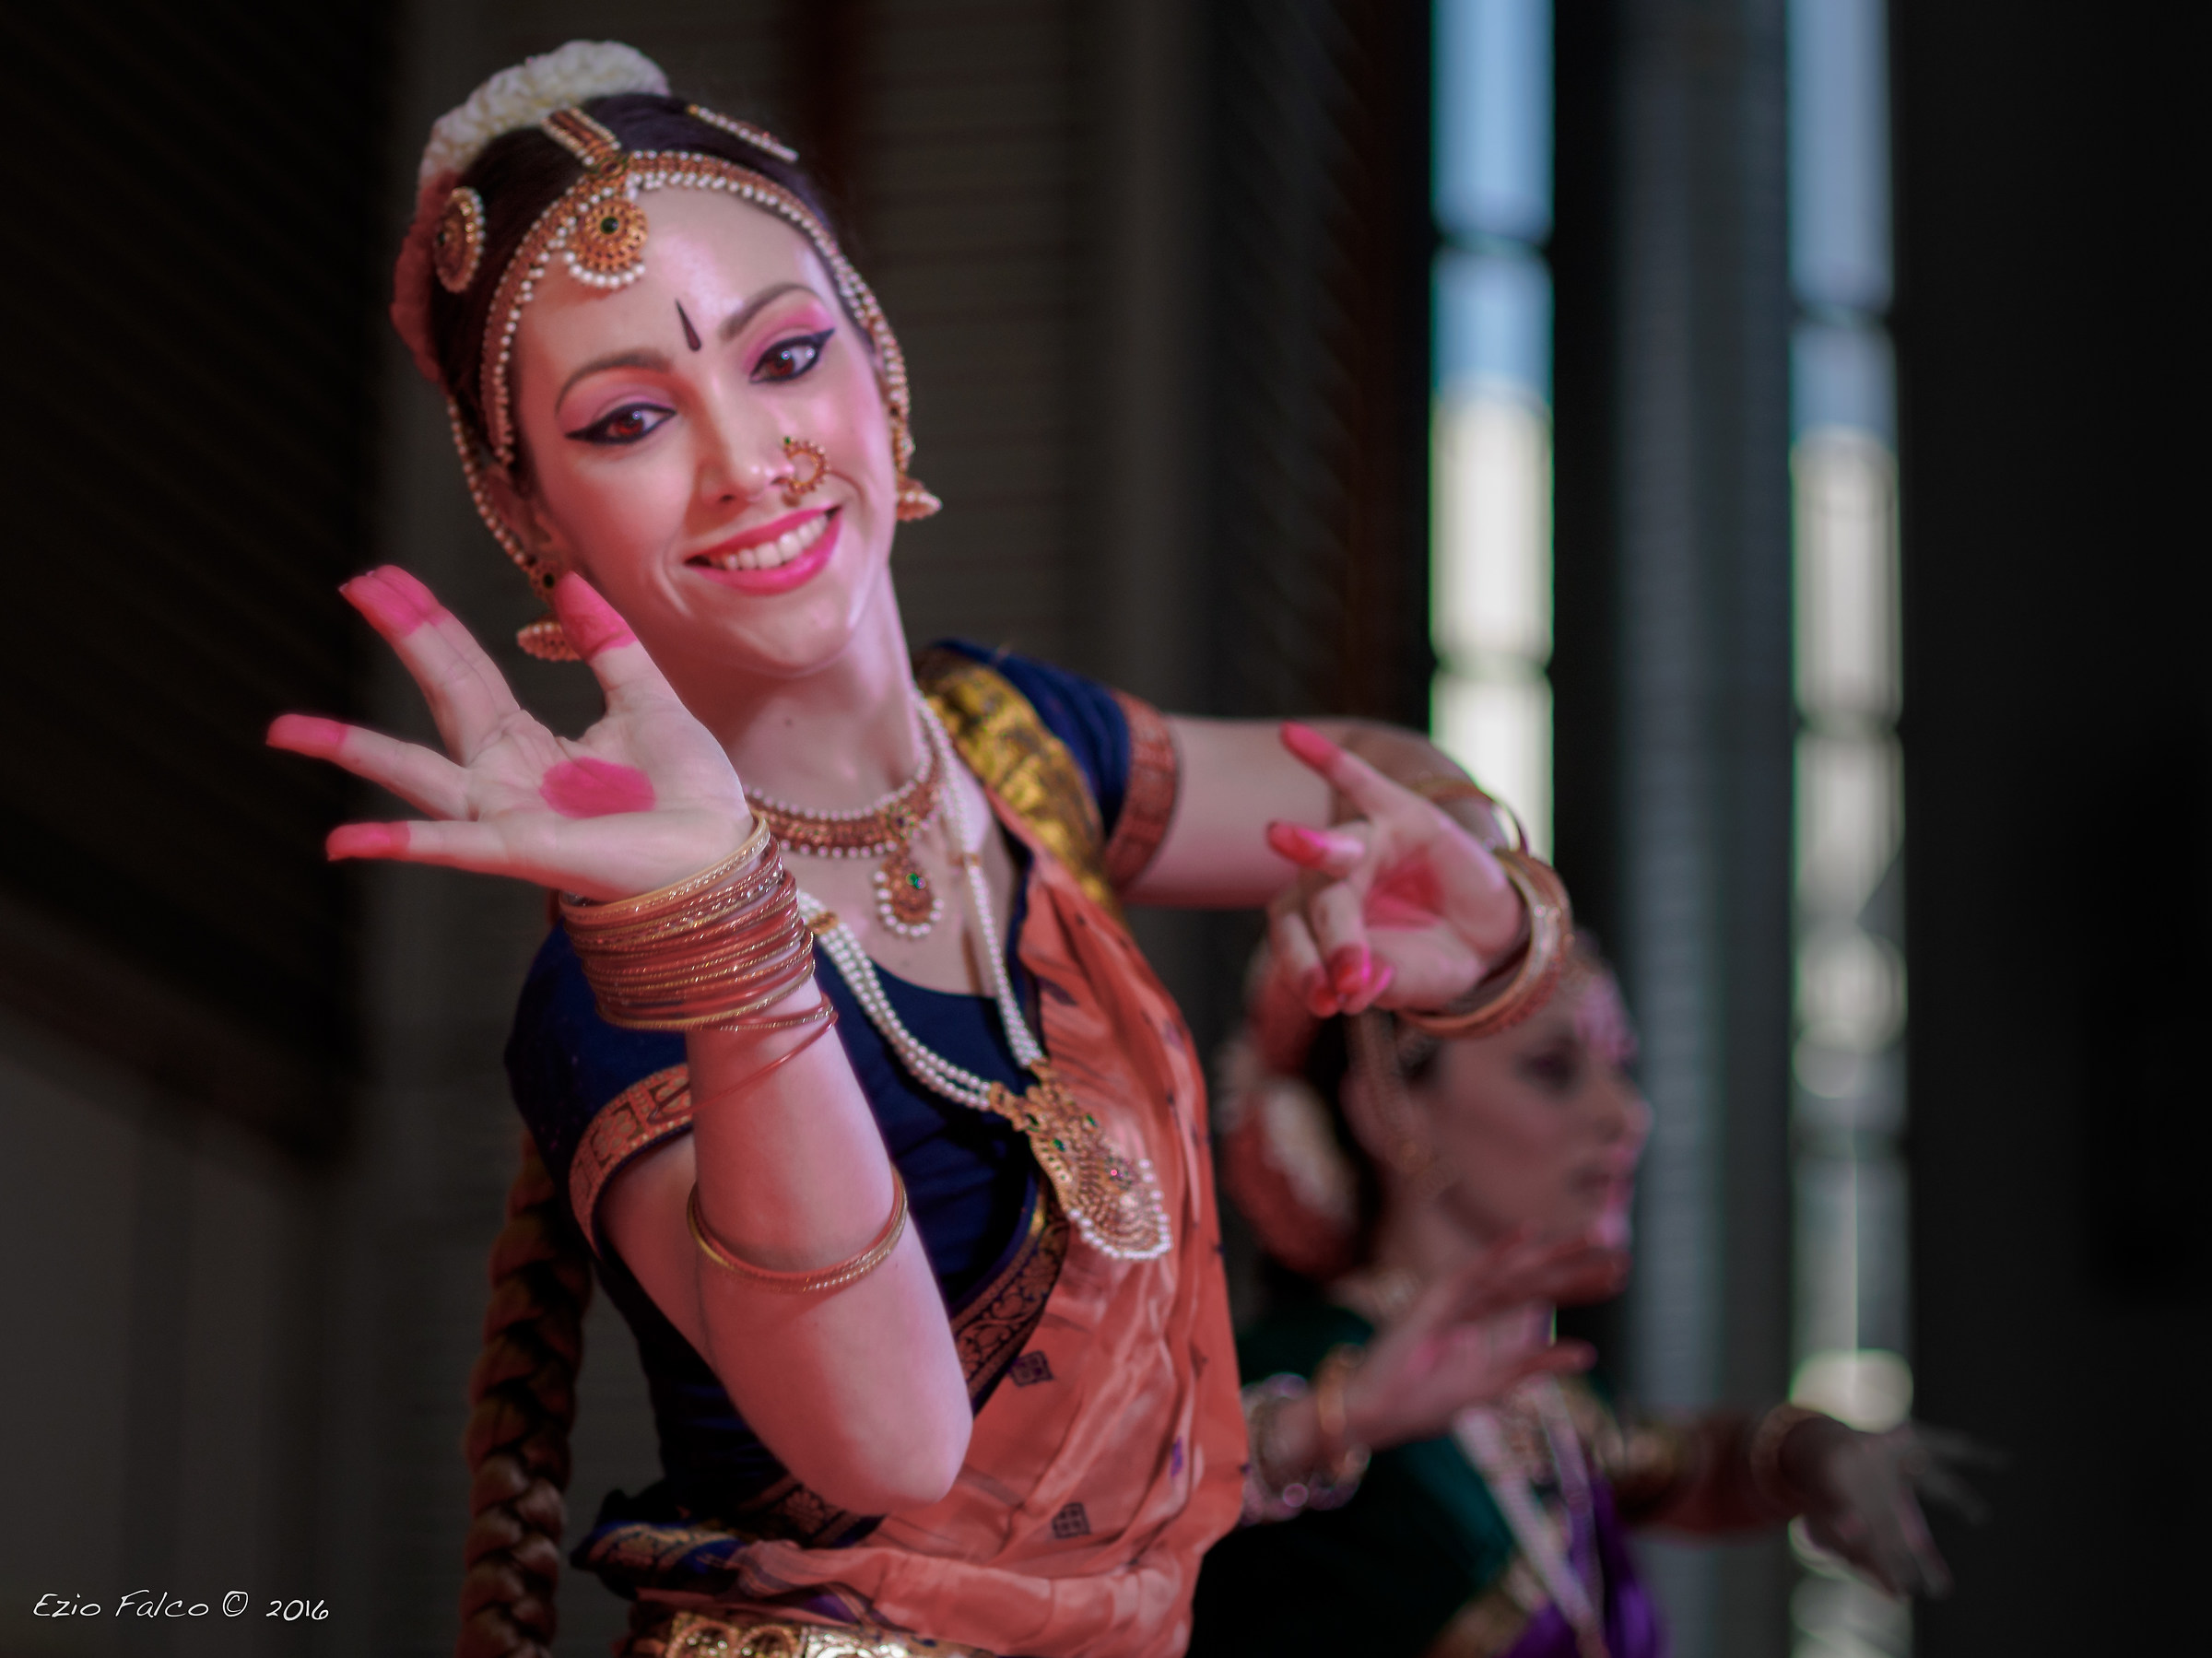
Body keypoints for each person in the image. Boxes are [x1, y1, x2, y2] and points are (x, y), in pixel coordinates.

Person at [268, 41, 1623, 1658]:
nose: (746, 455)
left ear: (879, 362)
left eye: (783, 355)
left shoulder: (1012, 742)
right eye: (631, 416)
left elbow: (1365, 779)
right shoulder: (621, 979)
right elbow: (893, 1445)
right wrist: (728, 930)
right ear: (534, 512)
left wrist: (1486, 906)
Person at [1190, 938, 1989, 1658]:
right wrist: (1332, 1422)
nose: (1626, 1115)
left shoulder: (1539, 1400)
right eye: (1553, 1069)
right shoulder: (1288, 1380)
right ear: (1389, 1106)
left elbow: (1684, 1462)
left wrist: (1805, 1450)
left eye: (1620, 1068)